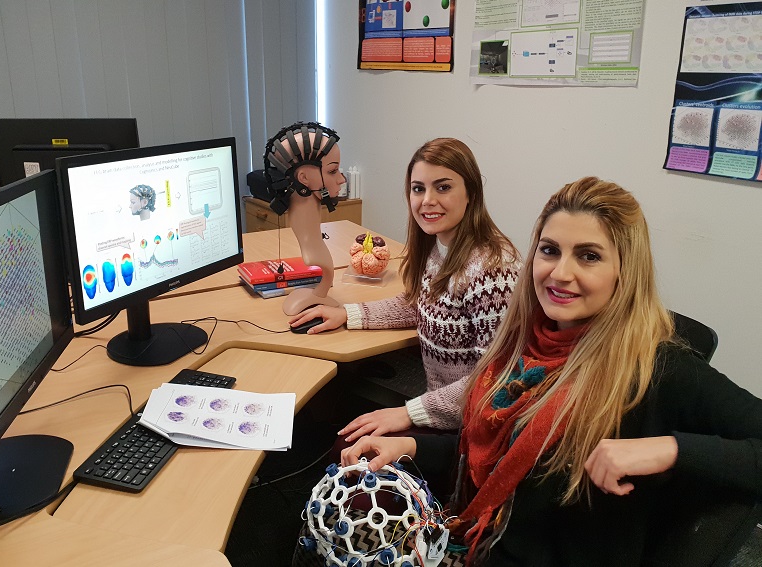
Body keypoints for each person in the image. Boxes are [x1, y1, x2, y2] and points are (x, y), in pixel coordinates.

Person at [340, 176, 762, 566]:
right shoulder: (528, 343)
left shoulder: (657, 368)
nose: (561, 273)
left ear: (625, 272)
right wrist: (410, 447)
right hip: (479, 537)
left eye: (589, 256)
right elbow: (499, 460)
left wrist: (669, 449)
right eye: (550, 250)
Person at [290, 138, 520, 435]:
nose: (427, 201)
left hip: (470, 429)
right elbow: (419, 304)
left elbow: (493, 380)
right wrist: (348, 314)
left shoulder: (493, 273)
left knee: (344, 438)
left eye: (444, 187)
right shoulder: (441, 248)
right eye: (418, 188)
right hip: (440, 405)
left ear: (471, 193)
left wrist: (410, 413)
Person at [264, 122, 346, 315]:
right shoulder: (315, 254)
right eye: (333, 171)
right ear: (304, 178)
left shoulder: (314, 245)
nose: (342, 179)